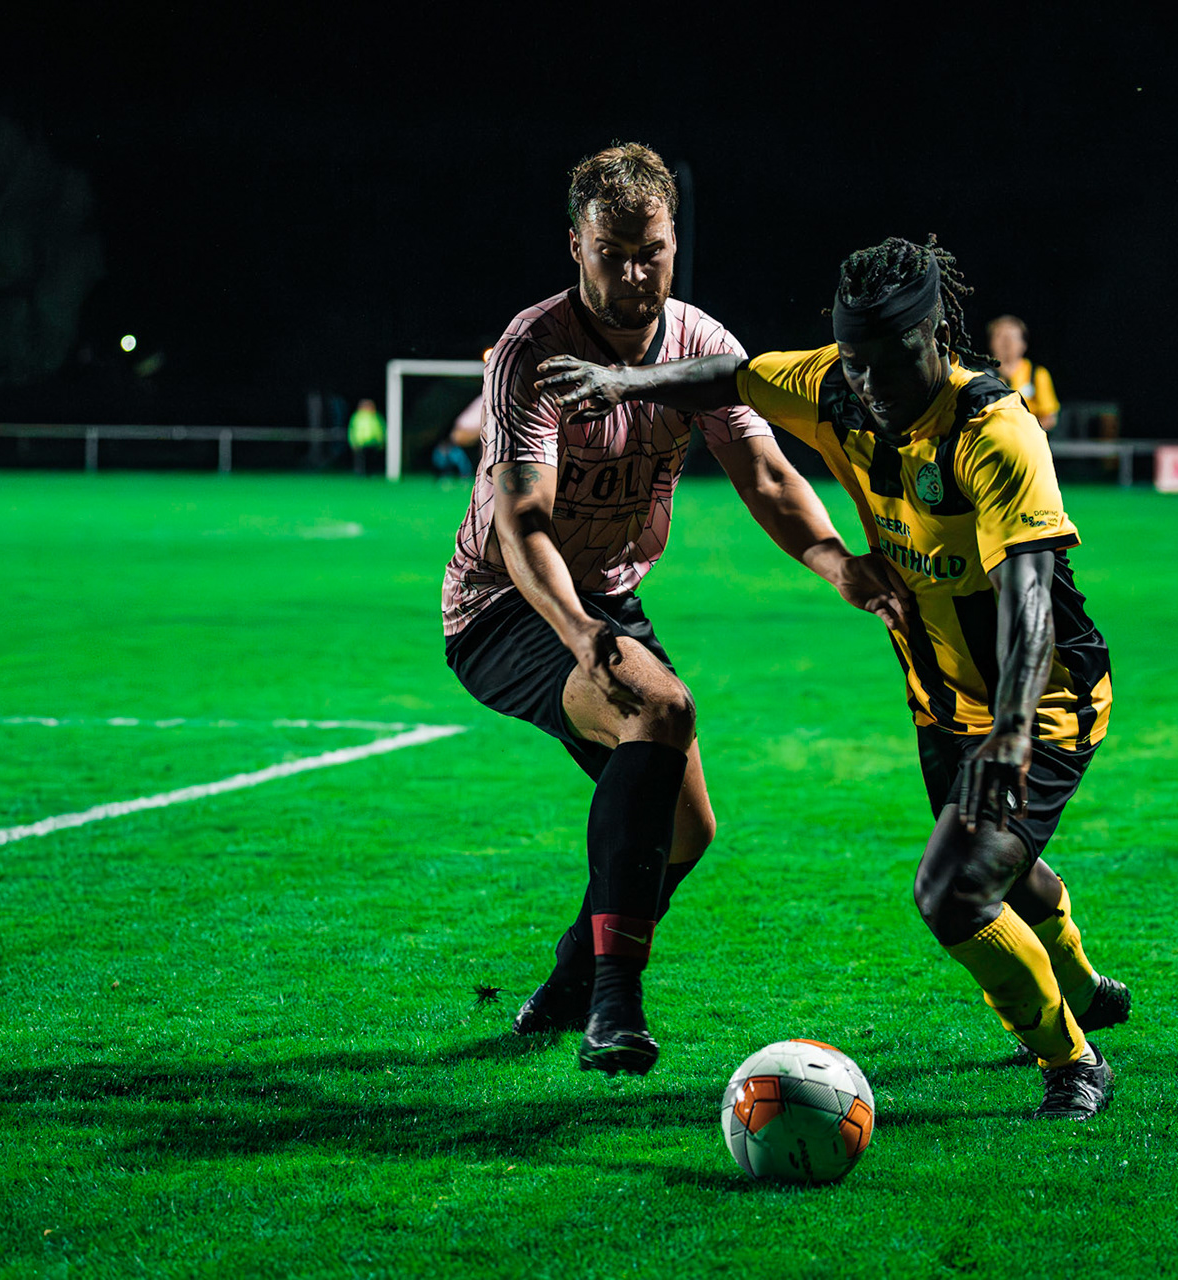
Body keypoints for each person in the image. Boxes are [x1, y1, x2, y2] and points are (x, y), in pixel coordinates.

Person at [536, 236, 1130, 1119]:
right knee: (999, 863)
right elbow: (727, 376)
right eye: (857, 364)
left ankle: (1071, 1060)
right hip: (939, 701)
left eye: (893, 363)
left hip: (1038, 703)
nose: (873, 386)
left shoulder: (992, 431)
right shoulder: (834, 383)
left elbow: (1032, 601)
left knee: (956, 890)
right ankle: (1078, 980)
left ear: (938, 334)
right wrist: (623, 384)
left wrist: (1008, 736)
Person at [441, 144, 905, 1077]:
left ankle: (573, 975)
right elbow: (524, 522)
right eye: (612, 251)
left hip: (608, 600)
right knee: (661, 707)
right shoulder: (534, 351)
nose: (635, 272)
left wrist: (832, 562)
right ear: (575, 245)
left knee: (690, 833)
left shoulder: (700, 345)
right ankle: (616, 1009)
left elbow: (767, 473)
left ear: (674, 239)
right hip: (508, 606)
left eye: (651, 250)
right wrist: (581, 640)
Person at [987, 315, 1060, 432]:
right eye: (1000, 336)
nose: (1007, 343)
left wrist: (1026, 434)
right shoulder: (980, 374)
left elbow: (1049, 417)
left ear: (1023, 344)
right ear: (990, 342)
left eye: (1013, 337)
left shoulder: (1037, 374)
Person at [348, 398, 385, 475]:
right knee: (360, 459)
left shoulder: (376, 416)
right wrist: (353, 441)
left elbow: (381, 429)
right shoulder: (357, 417)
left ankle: (371, 472)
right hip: (360, 442)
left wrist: (381, 440)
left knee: (372, 459)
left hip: (373, 442)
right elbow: (352, 430)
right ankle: (360, 472)